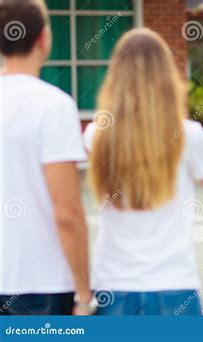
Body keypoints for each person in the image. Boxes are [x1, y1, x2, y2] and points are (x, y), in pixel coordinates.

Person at [84, 28, 203, 315]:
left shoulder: (96, 134)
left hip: (113, 286)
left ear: (116, 77)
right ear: (166, 76)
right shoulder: (188, 135)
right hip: (174, 286)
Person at [0, 0, 93, 315]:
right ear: (42, 39)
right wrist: (84, 294)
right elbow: (66, 211)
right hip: (42, 286)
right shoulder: (53, 106)